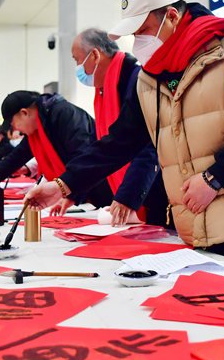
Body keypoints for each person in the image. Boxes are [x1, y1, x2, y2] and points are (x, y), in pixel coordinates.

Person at [26, 0, 224, 266]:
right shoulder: (151, 76)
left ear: (171, 16)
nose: (138, 42)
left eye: (143, 30)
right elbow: (119, 143)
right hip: (193, 230)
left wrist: (214, 177)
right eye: (134, 34)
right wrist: (63, 184)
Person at [69, 28, 166, 226]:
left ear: (95, 55)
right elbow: (102, 148)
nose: (78, 67)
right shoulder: (105, 92)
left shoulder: (137, 81)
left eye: (77, 60)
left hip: (153, 191)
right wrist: (70, 188)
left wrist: (127, 197)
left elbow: (147, 146)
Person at [0, 91, 113, 208]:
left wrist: (72, 196)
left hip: (101, 187)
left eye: (14, 123)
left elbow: (83, 157)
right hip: (78, 192)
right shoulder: (37, 128)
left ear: (24, 113)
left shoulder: (64, 114)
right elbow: (14, 159)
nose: (16, 129)